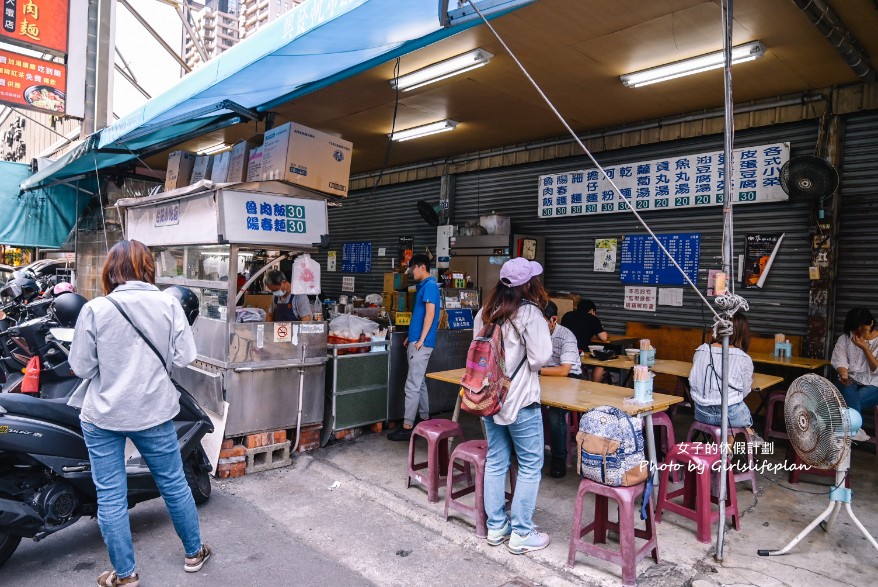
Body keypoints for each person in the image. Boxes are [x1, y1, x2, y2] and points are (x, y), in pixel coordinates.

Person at [68, 240, 211, 587]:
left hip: (103, 415)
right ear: (148, 266)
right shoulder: (169, 304)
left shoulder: (96, 308)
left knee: (111, 495)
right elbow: (184, 358)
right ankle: (194, 553)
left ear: (111, 268)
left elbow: (80, 367)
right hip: (154, 412)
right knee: (174, 483)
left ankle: (125, 574)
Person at [475, 257, 552, 555]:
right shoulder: (529, 313)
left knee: (497, 460)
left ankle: (496, 527)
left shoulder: (485, 312)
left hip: (489, 398)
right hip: (520, 399)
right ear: (528, 284)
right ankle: (521, 532)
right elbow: (540, 358)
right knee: (531, 465)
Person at [688, 312, 764, 444]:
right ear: (742, 333)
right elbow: (745, 391)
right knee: (735, 408)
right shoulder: (744, 358)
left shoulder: (700, 350)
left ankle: (724, 451)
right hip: (732, 416)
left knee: (730, 409)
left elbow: (693, 382)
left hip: (701, 413)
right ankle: (732, 447)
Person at [388, 254, 440, 441]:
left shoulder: (430, 286)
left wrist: (420, 340)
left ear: (421, 267)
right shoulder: (425, 287)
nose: (411, 272)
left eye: (412, 268)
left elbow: (430, 315)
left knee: (412, 385)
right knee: (419, 382)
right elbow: (420, 316)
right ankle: (424, 417)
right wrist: (411, 337)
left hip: (422, 343)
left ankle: (408, 425)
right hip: (417, 340)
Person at [540, 301, 583, 479]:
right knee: (522, 403)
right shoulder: (534, 335)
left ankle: (559, 457)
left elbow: (564, 370)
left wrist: (534, 371)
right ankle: (520, 450)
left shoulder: (567, 336)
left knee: (555, 413)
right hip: (543, 376)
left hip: (568, 378)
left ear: (553, 320)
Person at [832, 308, 878, 440]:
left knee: (846, 400)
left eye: (863, 330)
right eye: (855, 331)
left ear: (871, 323)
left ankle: (851, 429)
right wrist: (844, 377)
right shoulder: (844, 339)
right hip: (851, 380)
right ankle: (854, 429)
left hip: (875, 385)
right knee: (847, 389)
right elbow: (839, 359)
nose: (860, 335)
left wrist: (865, 348)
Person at [560, 299, 609, 382]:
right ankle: (594, 386)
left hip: (564, 351)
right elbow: (604, 337)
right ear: (592, 311)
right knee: (600, 363)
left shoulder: (567, 315)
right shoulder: (592, 318)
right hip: (581, 352)